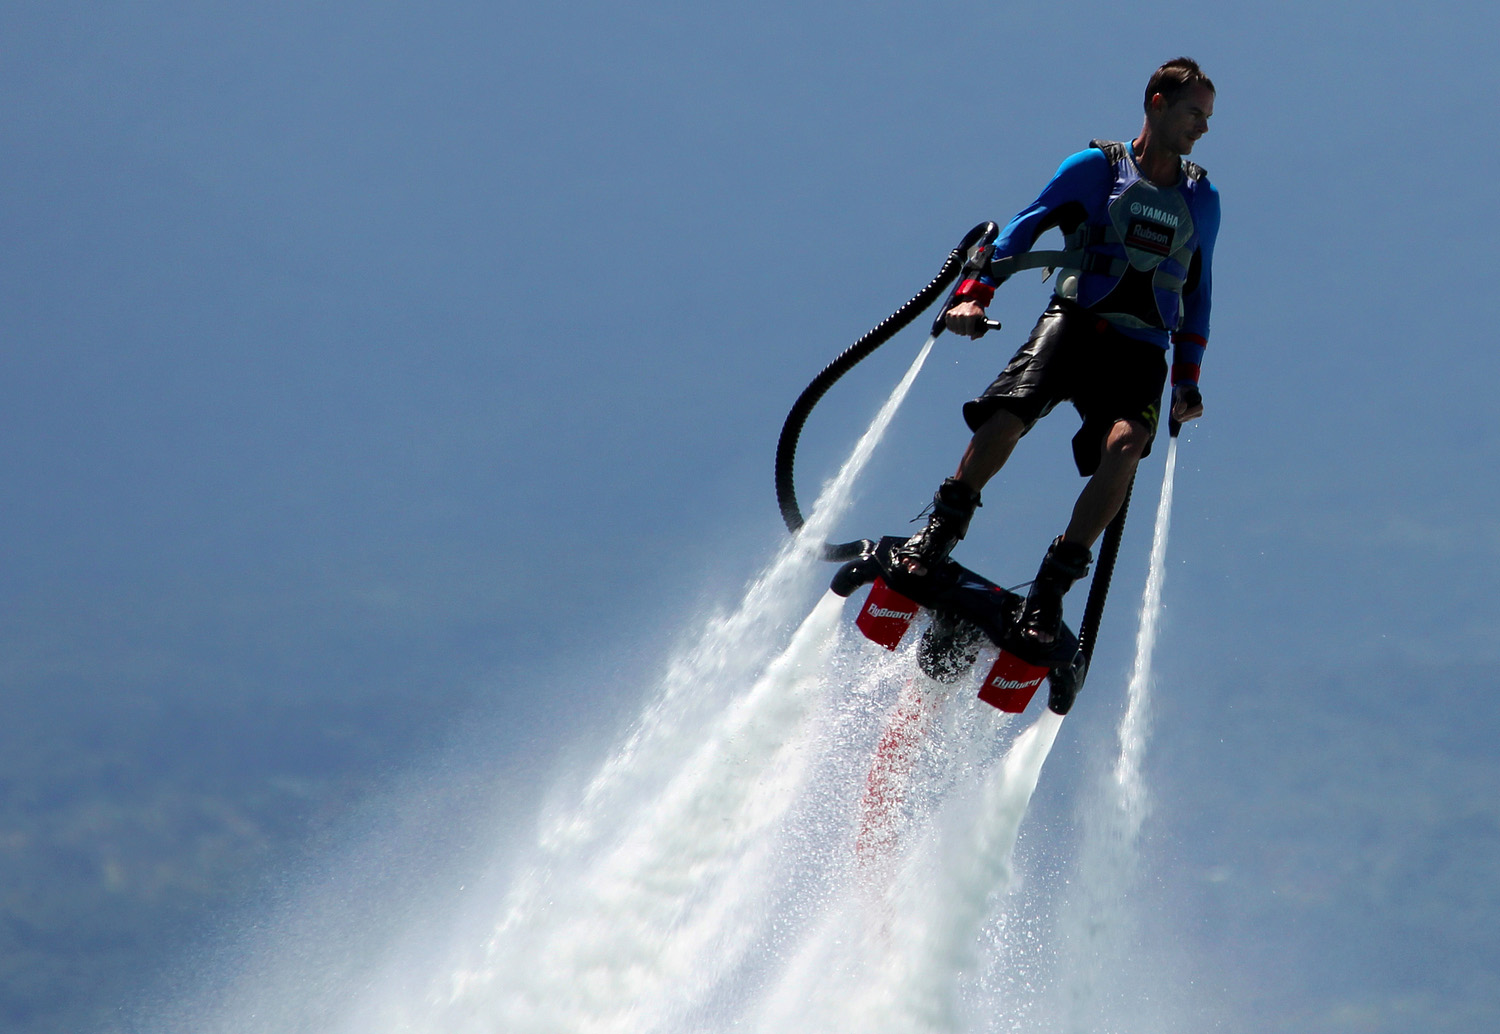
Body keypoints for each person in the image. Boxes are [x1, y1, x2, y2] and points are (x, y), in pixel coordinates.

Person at [898, 57, 1220, 647]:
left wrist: (1187, 381)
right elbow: (1024, 229)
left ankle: (1049, 590)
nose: (1202, 128)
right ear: (1156, 102)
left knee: (1126, 446)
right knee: (1006, 416)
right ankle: (939, 534)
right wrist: (973, 295)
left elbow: (1197, 294)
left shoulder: (1202, 199)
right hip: (1074, 324)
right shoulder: (1097, 169)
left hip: (1141, 350)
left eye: (1207, 117)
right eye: (1193, 113)